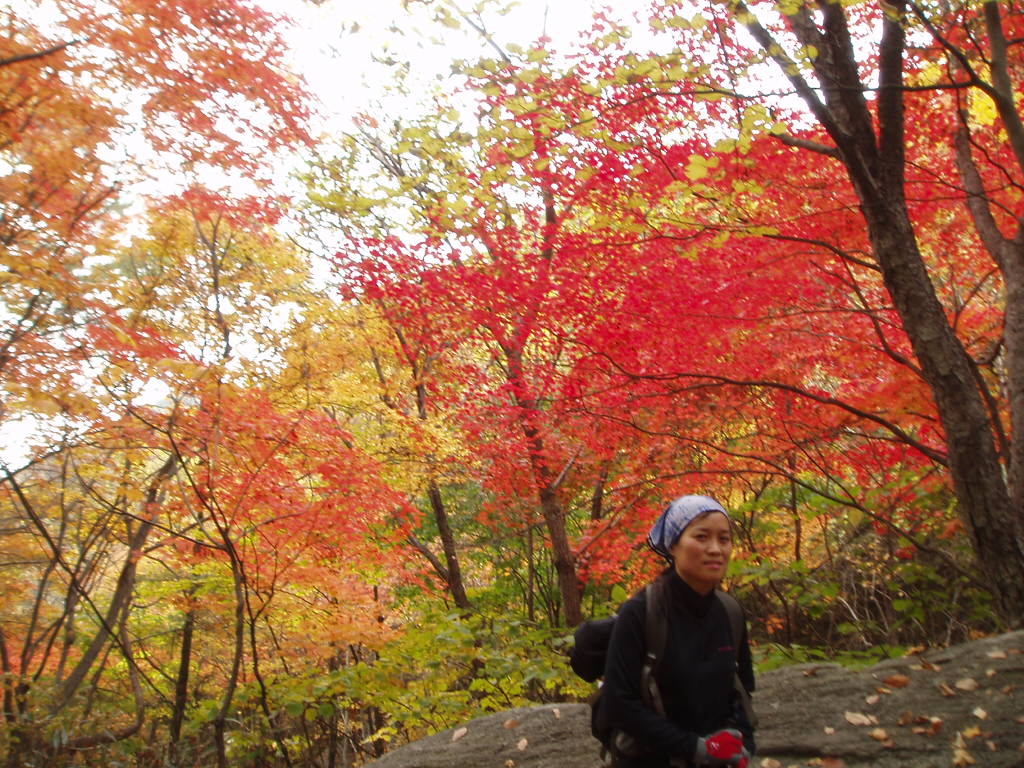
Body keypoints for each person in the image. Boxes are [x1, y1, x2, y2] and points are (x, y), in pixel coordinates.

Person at [598, 494, 756, 768]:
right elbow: (618, 704)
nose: (716, 549)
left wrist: (743, 743)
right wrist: (695, 748)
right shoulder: (641, 612)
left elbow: (742, 689)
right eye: (702, 537)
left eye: (724, 539)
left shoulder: (730, 612)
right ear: (673, 545)